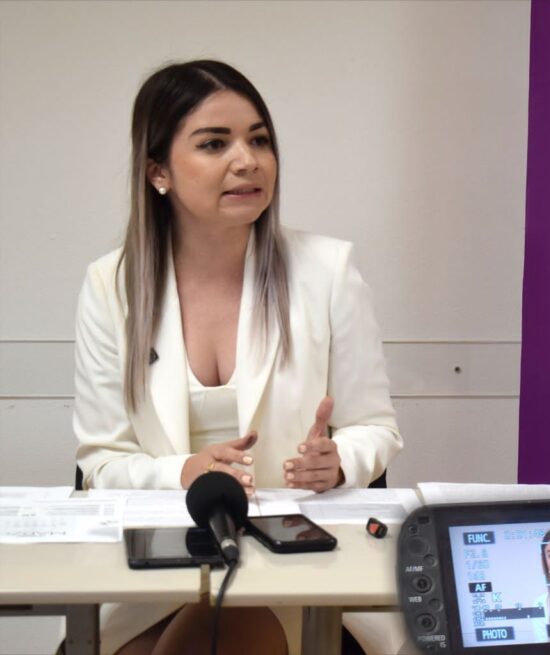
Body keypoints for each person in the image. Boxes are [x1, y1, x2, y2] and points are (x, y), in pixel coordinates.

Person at [72, 60, 402, 655]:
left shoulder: (327, 271)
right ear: (158, 171)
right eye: (214, 143)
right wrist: (184, 472)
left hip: (295, 558)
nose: (247, 160)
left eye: (259, 140)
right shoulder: (111, 284)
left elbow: (375, 429)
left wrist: (339, 462)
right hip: (163, 557)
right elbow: (102, 461)